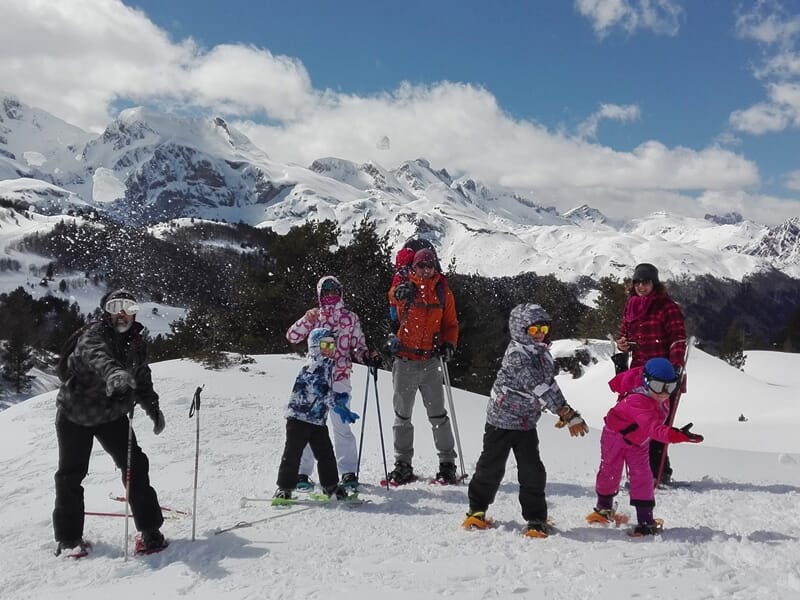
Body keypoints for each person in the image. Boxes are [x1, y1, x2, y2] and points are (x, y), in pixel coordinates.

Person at [52, 289, 167, 556]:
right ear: (107, 311)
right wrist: (114, 373)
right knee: (71, 475)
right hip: (76, 413)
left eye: (128, 306)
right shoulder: (92, 335)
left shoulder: (136, 342)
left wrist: (153, 408)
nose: (123, 312)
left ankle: (150, 530)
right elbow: (96, 356)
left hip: (111, 415)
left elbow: (142, 375)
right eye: (116, 306)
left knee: (135, 465)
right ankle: (69, 540)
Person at [462, 303, 588, 538]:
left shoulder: (542, 354)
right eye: (533, 330)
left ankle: (536, 518)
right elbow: (537, 386)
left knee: (532, 471)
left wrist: (564, 410)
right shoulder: (517, 356)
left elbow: (550, 385)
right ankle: (476, 510)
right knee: (490, 468)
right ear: (520, 330)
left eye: (542, 328)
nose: (539, 333)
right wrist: (565, 413)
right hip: (501, 421)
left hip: (526, 423)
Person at [586, 358, 703, 536]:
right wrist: (675, 435)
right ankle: (604, 507)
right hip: (615, 437)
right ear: (646, 381)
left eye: (669, 387)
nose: (663, 393)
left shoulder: (660, 396)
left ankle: (645, 519)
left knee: (643, 477)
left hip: (639, 441)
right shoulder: (637, 399)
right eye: (658, 386)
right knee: (610, 471)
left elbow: (652, 426)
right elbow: (653, 428)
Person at [286, 275, 379, 492]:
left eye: (334, 291)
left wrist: (367, 356)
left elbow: (357, 346)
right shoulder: (314, 316)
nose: (330, 295)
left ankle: (348, 471)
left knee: (341, 426)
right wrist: (306, 319)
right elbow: (292, 336)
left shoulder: (350, 318)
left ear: (341, 292)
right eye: (325, 292)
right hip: (316, 379)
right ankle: (302, 472)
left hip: (339, 378)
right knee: (310, 426)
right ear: (319, 294)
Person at [385, 247, 460, 485]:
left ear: (435, 267)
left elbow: (451, 324)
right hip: (405, 361)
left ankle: (447, 464)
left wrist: (449, 344)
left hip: (429, 362)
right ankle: (403, 464)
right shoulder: (406, 287)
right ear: (413, 267)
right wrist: (398, 291)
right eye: (420, 265)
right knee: (402, 416)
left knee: (438, 415)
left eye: (429, 265)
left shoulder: (443, 292)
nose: (425, 270)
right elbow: (392, 297)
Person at [615, 262, 687, 485]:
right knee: (637, 423)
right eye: (637, 282)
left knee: (657, 423)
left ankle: (659, 472)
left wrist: (675, 367)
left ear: (654, 283)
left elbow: (677, 338)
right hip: (638, 373)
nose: (641, 287)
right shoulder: (631, 306)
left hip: (663, 375)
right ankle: (642, 471)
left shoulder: (667, 307)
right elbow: (624, 334)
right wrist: (623, 344)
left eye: (645, 282)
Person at [274, 327, 359, 500]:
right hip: (298, 419)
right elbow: (320, 389)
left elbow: (325, 391)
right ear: (314, 346)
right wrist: (338, 404)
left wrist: (340, 398)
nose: (329, 348)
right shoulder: (312, 366)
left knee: (326, 454)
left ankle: (330, 486)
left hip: (317, 421)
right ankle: (284, 488)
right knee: (293, 453)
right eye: (325, 344)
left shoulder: (327, 366)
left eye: (332, 345)